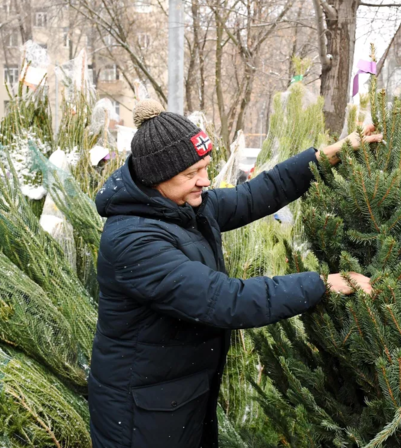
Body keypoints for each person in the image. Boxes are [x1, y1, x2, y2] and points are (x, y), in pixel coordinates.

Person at [89, 99, 381, 448]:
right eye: (191, 174)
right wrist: (320, 284)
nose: (204, 181)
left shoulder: (181, 205)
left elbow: (255, 195)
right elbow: (224, 299)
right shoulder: (134, 240)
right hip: (140, 416)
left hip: (173, 398)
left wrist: (324, 157)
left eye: (205, 167)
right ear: (156, 178)